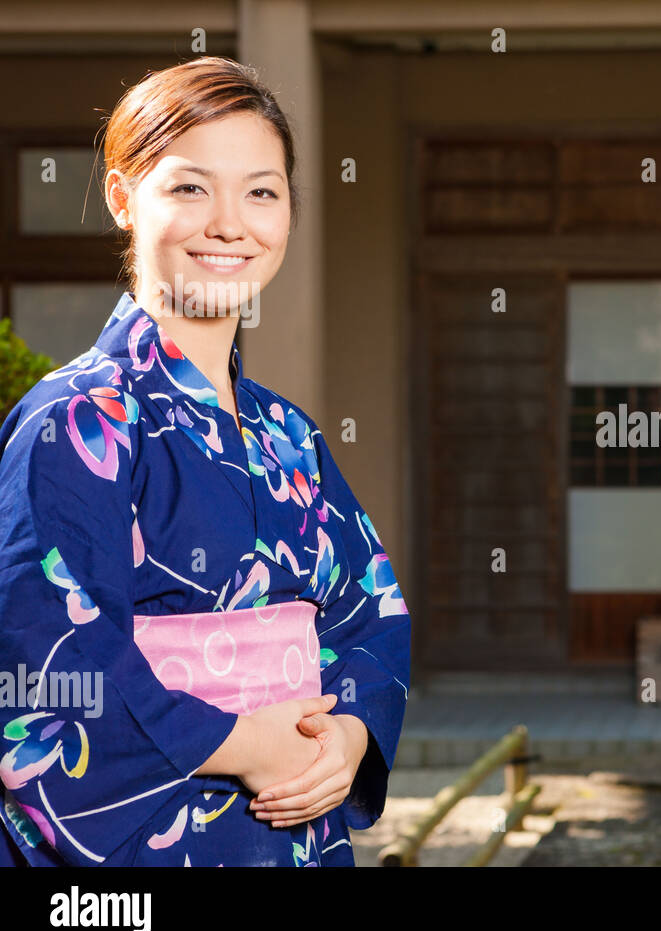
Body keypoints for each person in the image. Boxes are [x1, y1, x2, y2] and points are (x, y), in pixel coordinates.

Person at [0, 56, 410, 866]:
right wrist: (238, 741)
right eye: (190, 188)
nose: (231, 224)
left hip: (301, 829)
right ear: (122, 197)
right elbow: (43, 661)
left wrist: (353, 732)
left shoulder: (286, 433)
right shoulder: (73, 421)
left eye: (262, 191)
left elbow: (370, 612)